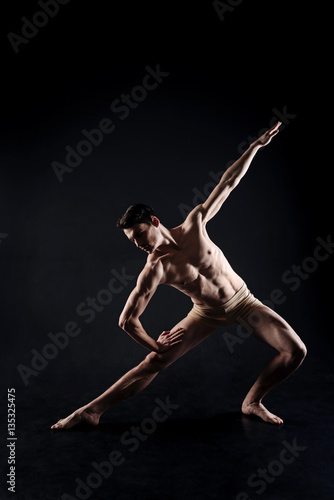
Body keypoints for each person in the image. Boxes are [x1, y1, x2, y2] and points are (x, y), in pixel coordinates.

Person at [51, 121, 306, 430]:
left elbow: (228, 183)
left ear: (155, 221)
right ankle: (90, 411)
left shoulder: (195, 223)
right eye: (134, 242)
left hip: (243, 303)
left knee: (295, 351)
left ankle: (252, 402)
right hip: (206, 313)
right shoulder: (155, 268)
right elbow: (127, 321)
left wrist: (254, 147)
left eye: (142, 235)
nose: (140, 244)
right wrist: (155, 346)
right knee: (152, 364)